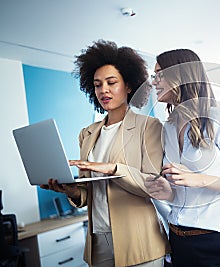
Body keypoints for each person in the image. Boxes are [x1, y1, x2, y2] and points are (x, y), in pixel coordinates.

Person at [40, 40, 169, 267]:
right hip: (98, 240)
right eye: (97, 85)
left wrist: (113, 169)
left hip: (139, 240)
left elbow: (153, 185)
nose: (103, 90)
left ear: (129, 86)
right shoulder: (87, 134)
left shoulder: (149, 127)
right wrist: (70, 190)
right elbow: (89, 193)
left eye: (111, 82)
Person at [144, 49, 220, 267]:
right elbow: (183, 195)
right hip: (177, 240)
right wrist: (168, 193)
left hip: (217, 243)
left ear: (182, 76)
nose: (154, 82)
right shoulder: (168, 127)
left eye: (160, 75)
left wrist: (199, 178)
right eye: (153, 76)